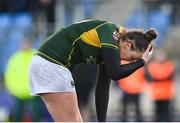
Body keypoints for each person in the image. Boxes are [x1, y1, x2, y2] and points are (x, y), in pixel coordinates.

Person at [28, 19, 157, 122]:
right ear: (127, 45)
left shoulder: (111, 47)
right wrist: (142, 62)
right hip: (51, 65)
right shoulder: (111, 34)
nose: (129, 62)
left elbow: (103, 88)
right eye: (133, 58)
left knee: (77, 121)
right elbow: (115, 73)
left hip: (53, 67)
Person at [5, 40, 43, 121]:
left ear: (30, 44)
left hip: (34, 92)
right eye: (23, 44)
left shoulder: (36, 56)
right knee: (18, 115)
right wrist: (11, 88)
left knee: (36, 115)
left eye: (26, 44)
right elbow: (9, 74)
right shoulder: (15, 57)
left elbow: (41, 71)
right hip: (19, 92)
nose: (25, 46)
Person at [147, 49, 175, 122]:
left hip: (167, 94)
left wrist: (160, 75)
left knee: (167, 113)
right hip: (157, 94)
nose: (160, 57)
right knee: (157, 114)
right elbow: (154, 76)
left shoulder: (169, 64)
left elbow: (167, 75)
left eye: (162, 55)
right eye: (159, 55)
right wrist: (161, 75)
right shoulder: (152, 65)